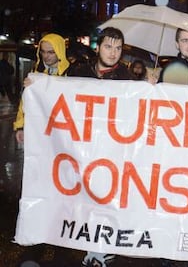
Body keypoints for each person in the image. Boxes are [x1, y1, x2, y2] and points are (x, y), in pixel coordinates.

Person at [68, 27, 136, 267]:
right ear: (98, 47)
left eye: (118, 48)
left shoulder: (127, 79)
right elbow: (57, 94)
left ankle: (101, 249)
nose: (113, 52)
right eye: (108, 46)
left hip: (111, 152)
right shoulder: (78, 72)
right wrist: (37, 84)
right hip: (81, 148)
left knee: (106, 198)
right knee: (82, 199)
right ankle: (86, 243)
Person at [13, 33, 70, 143]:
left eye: (51, 52)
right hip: (39, 131)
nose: (46, 56)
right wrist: (20, 126)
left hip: (63, 132)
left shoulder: (73, 73)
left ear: (60, 51)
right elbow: (25, 103)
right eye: (43, 51)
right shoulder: (36, 73)